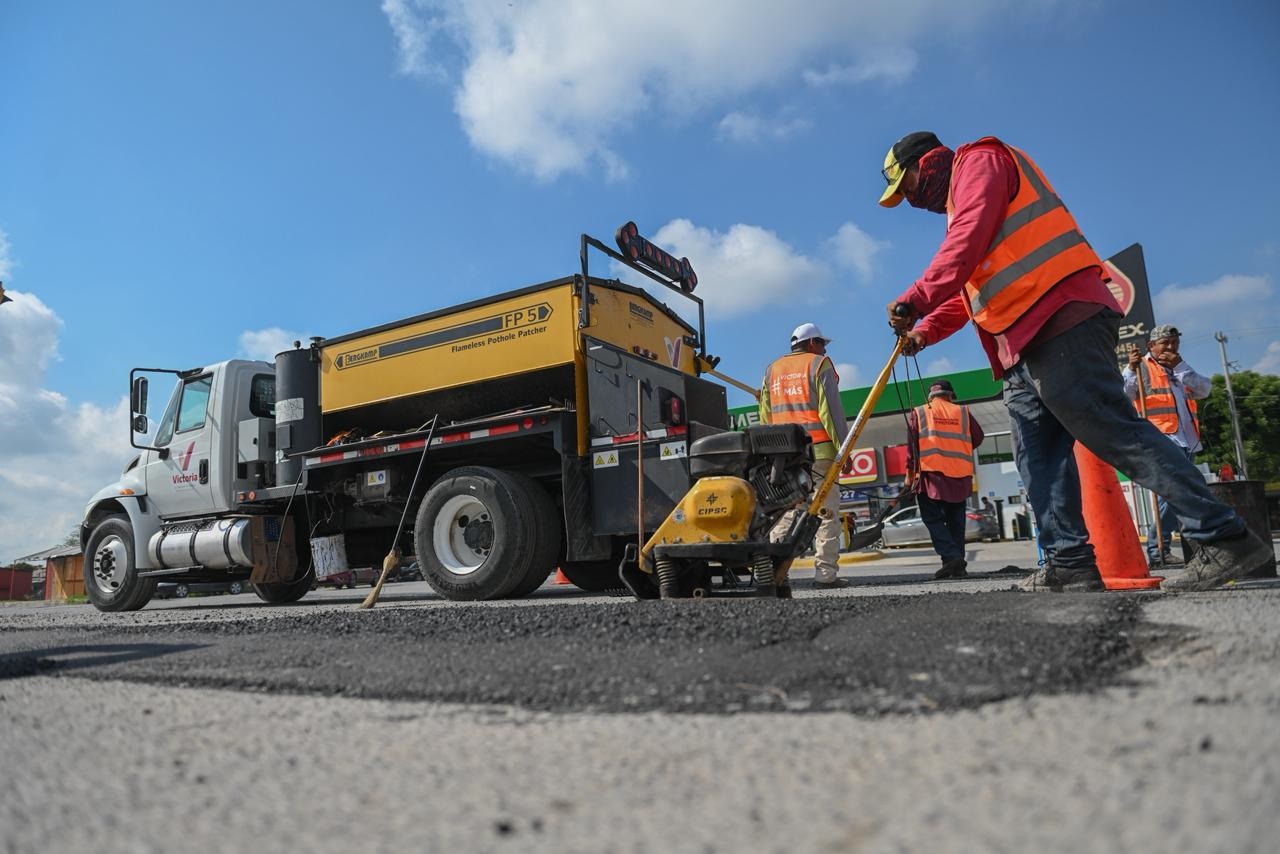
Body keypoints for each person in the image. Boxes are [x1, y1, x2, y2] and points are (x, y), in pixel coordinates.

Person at [876, 130, 1272, 592]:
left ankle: (1223, 536)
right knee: (1037, 461)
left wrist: (916, 298)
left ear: (927, 164)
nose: (909, 201)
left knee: (1113, 431)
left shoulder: (979, 163)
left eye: (906, 188)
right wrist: (925, 330)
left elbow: (965, 243)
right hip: (1021, 342)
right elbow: (971, 292)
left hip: (1061, 317)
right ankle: (1069, 561)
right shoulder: (958, 203)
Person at [759, 323, 850, 589]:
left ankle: (773, 573)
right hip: (819, 452)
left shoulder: (771, 370)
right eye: (823, 344)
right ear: (813, 343)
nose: (824, 350)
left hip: (785, 457)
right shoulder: (819, 365)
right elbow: (830, 411)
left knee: (788, 513)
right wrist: (844, 448)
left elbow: (765, 417)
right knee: (826, 512)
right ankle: (825, 575)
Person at [1123, 324, 1211, 566]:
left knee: (1181, 494)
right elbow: (1124, 394)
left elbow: (1205, 389)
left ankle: (1165, 548)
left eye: (1174, 343)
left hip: (1187, 439)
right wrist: (1131, 369)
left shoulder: (1181, 368)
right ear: (1151, 346)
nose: (1171, 347)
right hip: (1162, 439)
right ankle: (1157, 550)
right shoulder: (1141, 367)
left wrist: (1180, 367)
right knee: (1174, 492)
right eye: (1165, 343)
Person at [905, 379, 985, 579]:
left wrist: (909, 474)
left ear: (931, 396)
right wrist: (958, 447)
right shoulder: (963, 412)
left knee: (933, 518)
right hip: (959, 474)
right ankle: (957, 566)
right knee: (956, 522)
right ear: (950, 395)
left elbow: (912, 446)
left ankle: (951, 557)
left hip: (931, 474)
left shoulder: (920, 412)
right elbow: (978, 437)